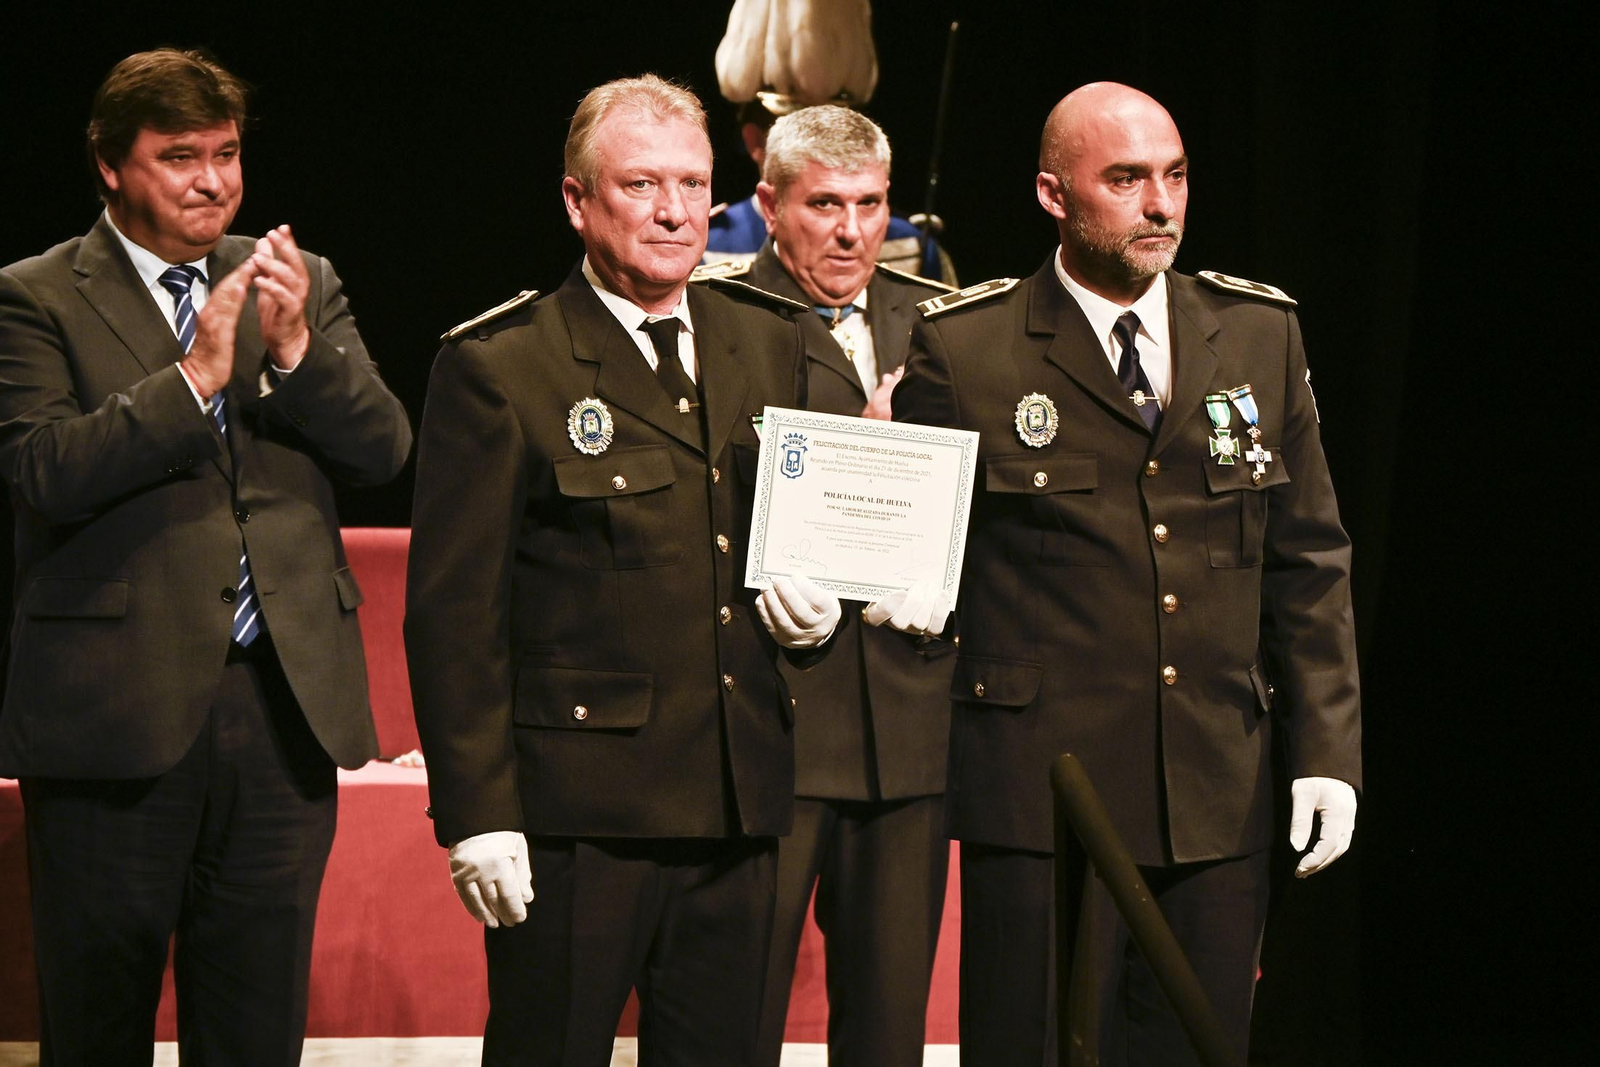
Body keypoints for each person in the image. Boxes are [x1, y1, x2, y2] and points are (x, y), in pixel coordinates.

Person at [888, 82, 1361, 1065]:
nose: (1160, 204)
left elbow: (1308, 555)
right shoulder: (967, 347)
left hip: (1215, 792)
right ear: (1053, 195)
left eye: (1175, 176)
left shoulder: (1257, 332)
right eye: (1127, 179)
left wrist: (1326, 750)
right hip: (1042, 800)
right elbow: (914, 563)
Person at [404, 74, 846, 1066]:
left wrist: (824, 616)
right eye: (642, 184)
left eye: (693, 185)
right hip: (578, 819)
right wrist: (478, 815)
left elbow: (796, 534)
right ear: (578, 201)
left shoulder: (770, 340)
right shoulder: (503, 364)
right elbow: (455, 617)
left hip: (737, 803)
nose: (674, 211)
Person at [0, 48, 412, 1065]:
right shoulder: (34, 295)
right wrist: (192, 378)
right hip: (115, 712)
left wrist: (297, 349)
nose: (212, 181)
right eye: (179, 156)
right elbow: (44, 469)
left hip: (279, 707)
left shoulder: (296, 279)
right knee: (98, 1026)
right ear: (110, 164)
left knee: (255, 1028)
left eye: (225, 154)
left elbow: (384, 449)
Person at [708, 104, 957, 1067]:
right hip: (771, 724)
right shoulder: (715, 317)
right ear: (770, 206)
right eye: (823, 205)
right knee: (733, 1023)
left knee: (890, 1032)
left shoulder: (941, 320)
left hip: (904, 726)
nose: (852, 231)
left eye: (870, 203)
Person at [705, 0, 956, 284]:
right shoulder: (710, 245)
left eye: (839, 130)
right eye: (798, 135)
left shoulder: (911, 247)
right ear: (755, 142)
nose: (823, 150)